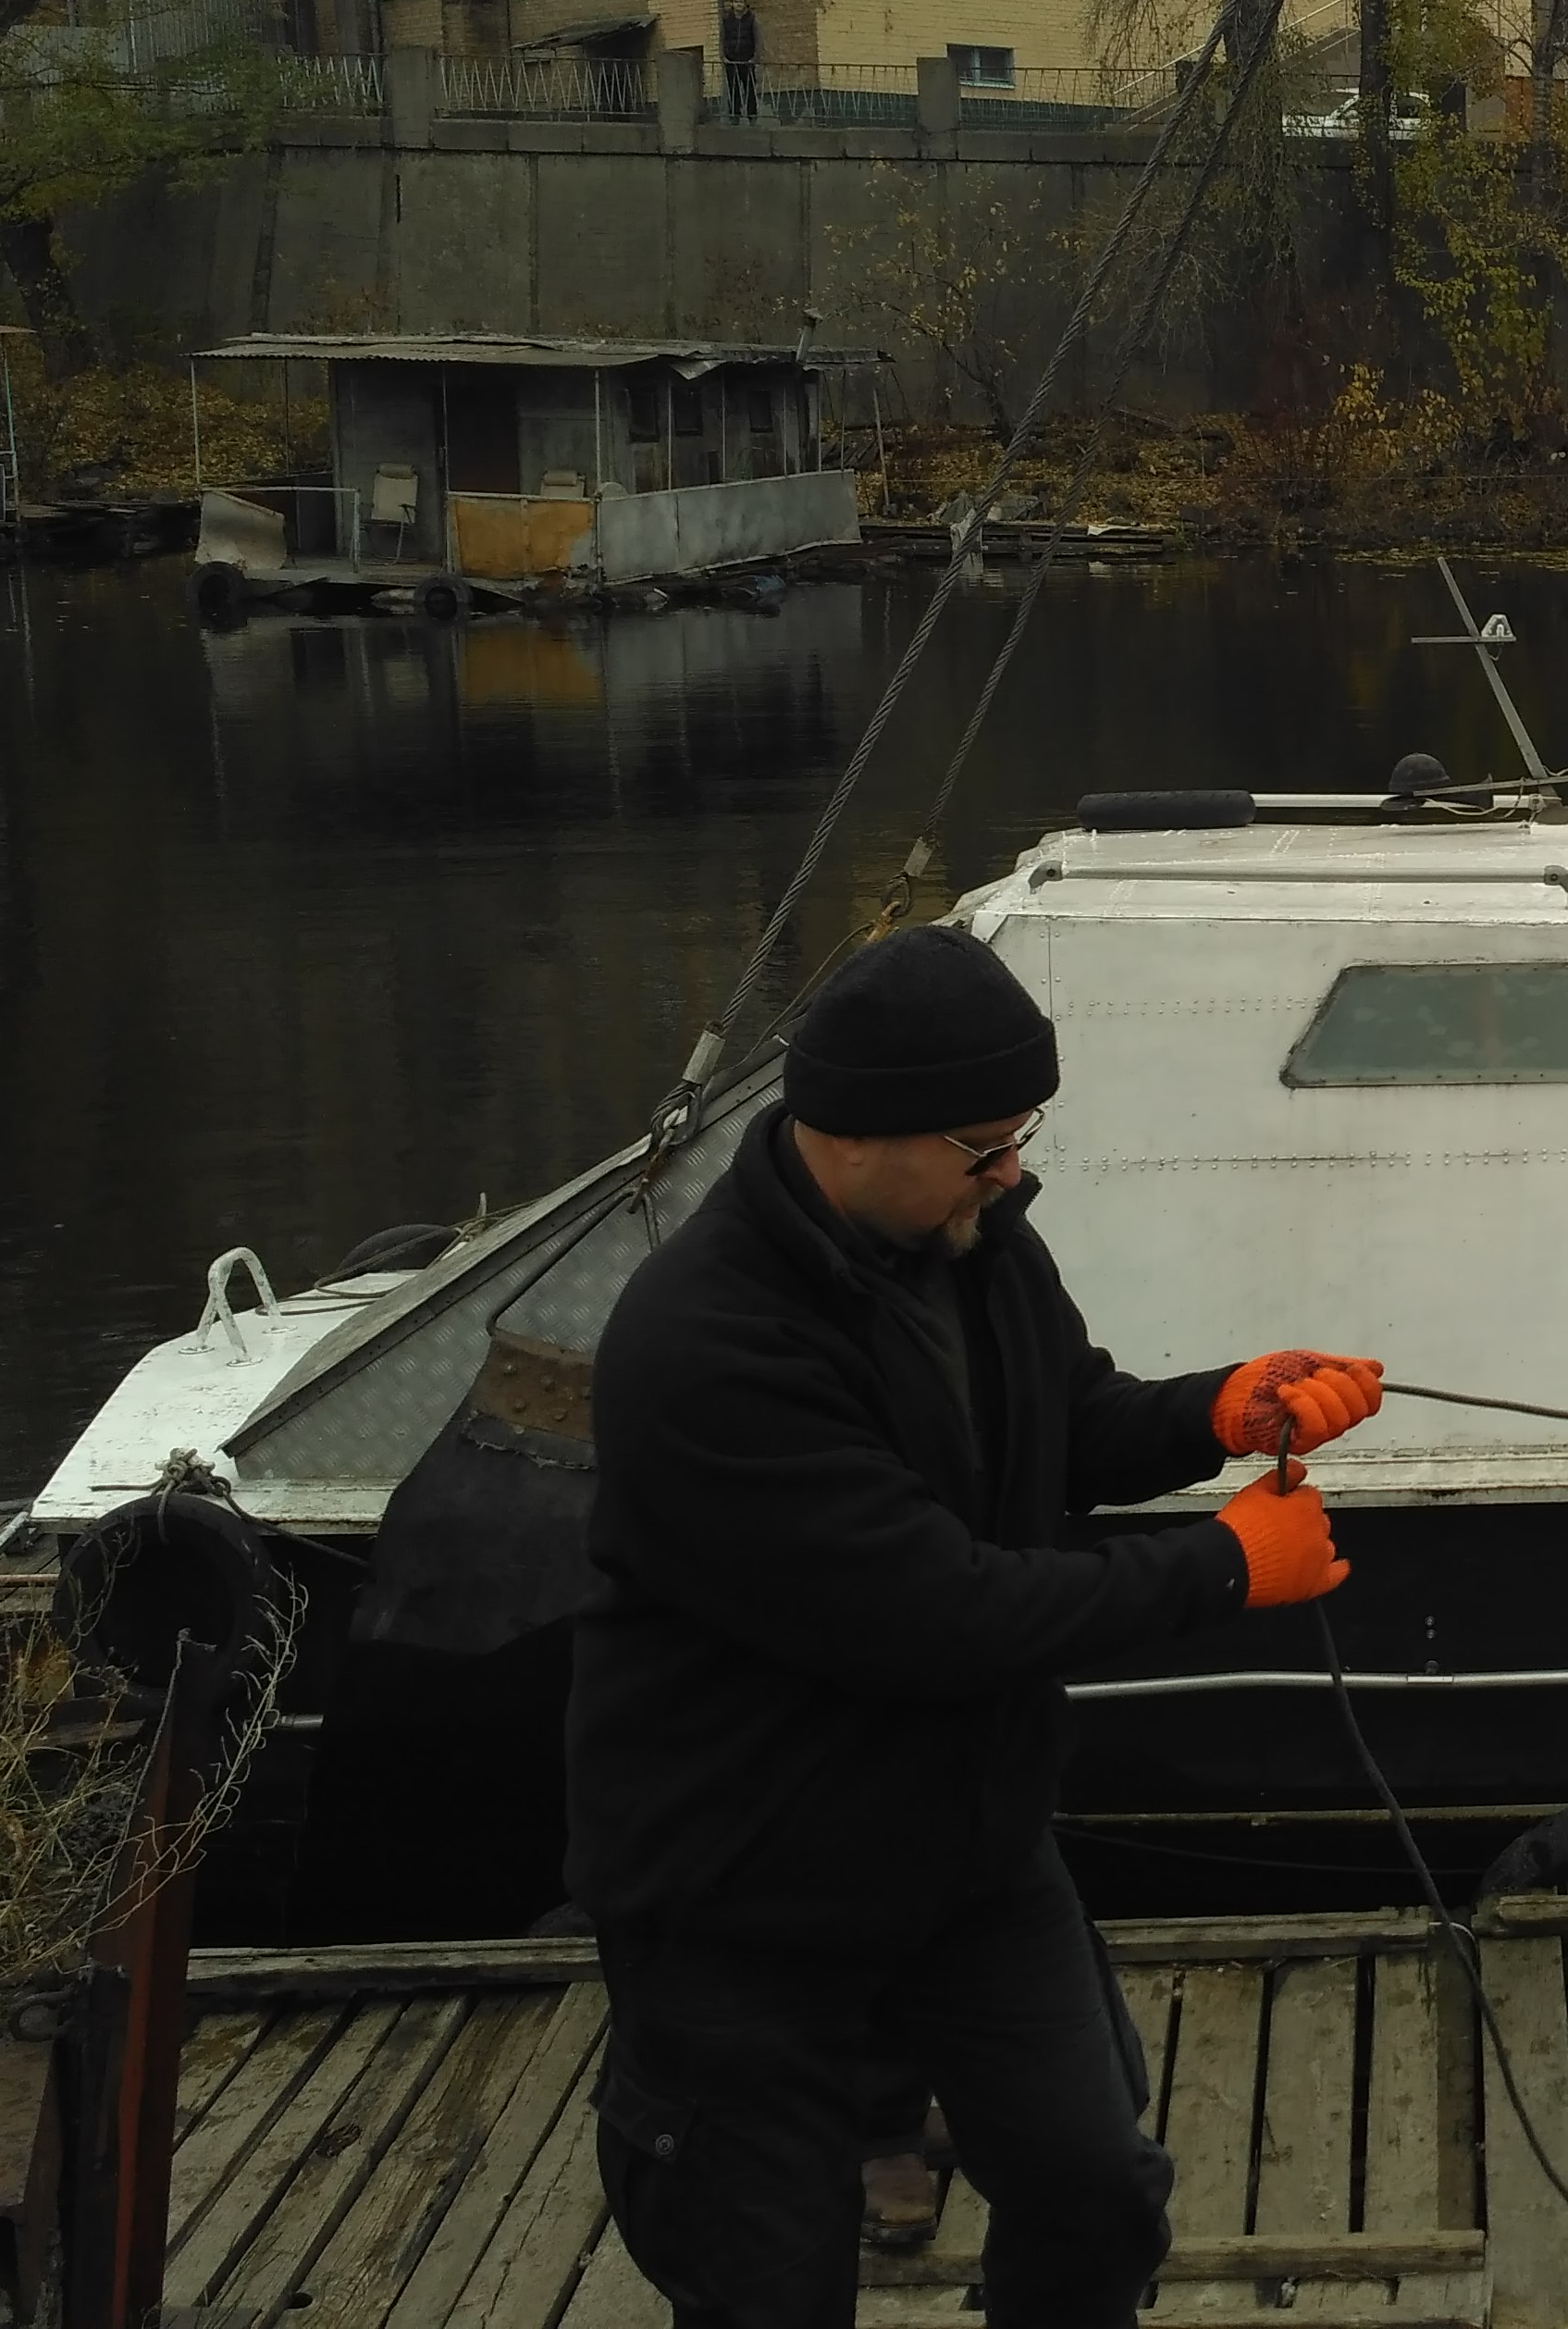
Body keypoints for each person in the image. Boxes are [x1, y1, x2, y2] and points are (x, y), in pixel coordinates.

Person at [566, 924, 1383, 2329]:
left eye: (1019, 1138)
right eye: (982, 1145)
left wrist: (1214, 1409)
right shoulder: (706, 1344)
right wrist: (1225, 1567)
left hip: (964, 1853)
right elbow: (934, 1612)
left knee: (1096, 2192)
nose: (1010, 1173)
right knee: (767, 2286)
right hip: (738, 1894)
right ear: (852, 1132)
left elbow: (1065, 1420)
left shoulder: (971, 1237)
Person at [718, 0, 762, 121]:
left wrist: (755, 58)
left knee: (750, 89)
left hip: (747, 60)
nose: (739, 4)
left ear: (744, 4)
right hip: (731, 60)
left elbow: (758, 39)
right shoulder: (726, 19)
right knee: (733, 89)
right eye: (736, 2)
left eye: (741, 2)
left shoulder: (751, 19)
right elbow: (722, 39)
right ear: (732, 4)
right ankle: (735, 115)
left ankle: (752, 115)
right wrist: (723, 56)